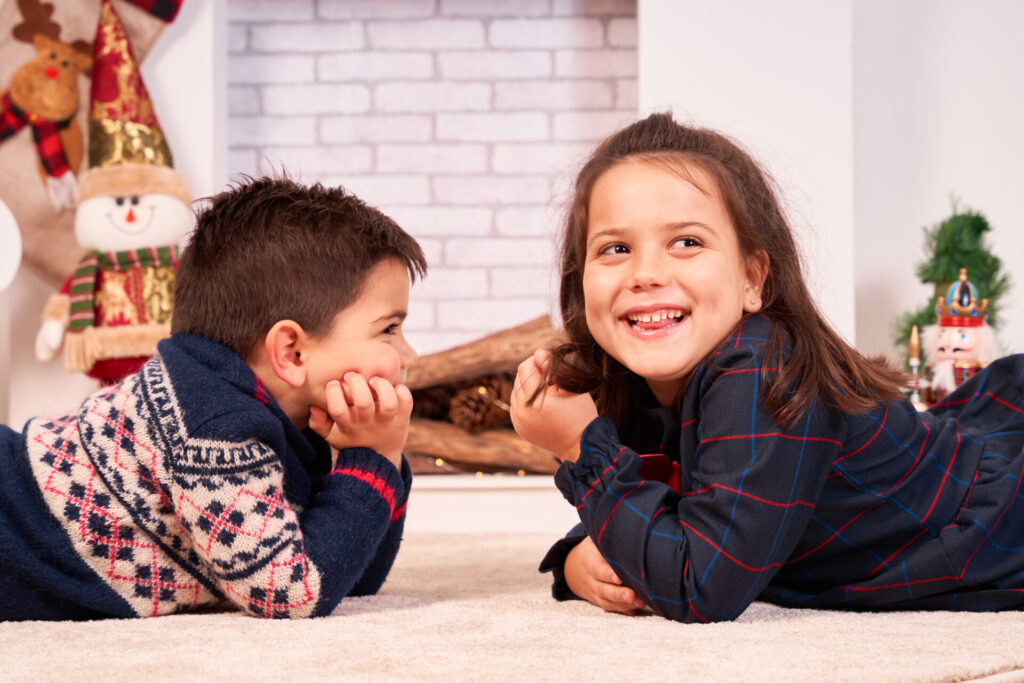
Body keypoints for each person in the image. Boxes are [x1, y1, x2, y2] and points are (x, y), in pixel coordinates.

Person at [510, 111, 1024, 623]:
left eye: (686, 242)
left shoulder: (761, 365)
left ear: (752, 278)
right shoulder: (634, 371)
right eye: (616, 248)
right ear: (582, 281)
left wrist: (582, 450)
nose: (646, 273)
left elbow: (701, 587)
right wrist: (578, 562)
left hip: (993, 520)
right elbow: (669, 497)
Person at [0, 176, 426, 621]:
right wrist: (372, 460)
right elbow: (291, 594)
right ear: (291, 352)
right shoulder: (211, 426)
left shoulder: (285, 421)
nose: (409, 354)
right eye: (389, 329)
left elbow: (354, 576)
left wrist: (377, 457)